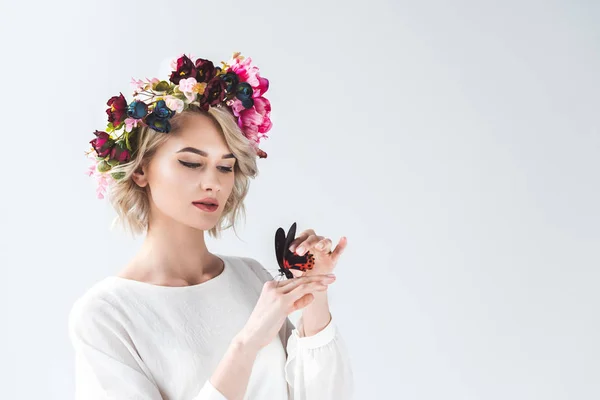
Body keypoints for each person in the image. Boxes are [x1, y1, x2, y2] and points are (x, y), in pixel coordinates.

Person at [68, 51, 354, 400]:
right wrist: (246, 344)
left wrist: (314, 292)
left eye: (225, 167)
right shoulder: (105, 315)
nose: (213, 183)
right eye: (191, 163)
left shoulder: (252, 278)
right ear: (141, 169)